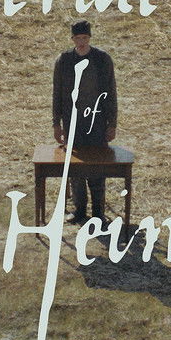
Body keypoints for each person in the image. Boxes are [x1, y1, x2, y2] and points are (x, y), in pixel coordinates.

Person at [52, 20, 117, 224]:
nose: (81, 42)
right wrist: (56, 124)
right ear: (72, 39)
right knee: (75, 167)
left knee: (97, 166)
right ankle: (79, 210)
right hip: (72, 121)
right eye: (78, 38)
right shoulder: (64, 60)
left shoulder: (102, 59)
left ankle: (98, 212)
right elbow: (57, 93)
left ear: (90, 38)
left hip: (97, 120)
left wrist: (112, 123)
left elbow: (111, 92)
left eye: (85, 38)